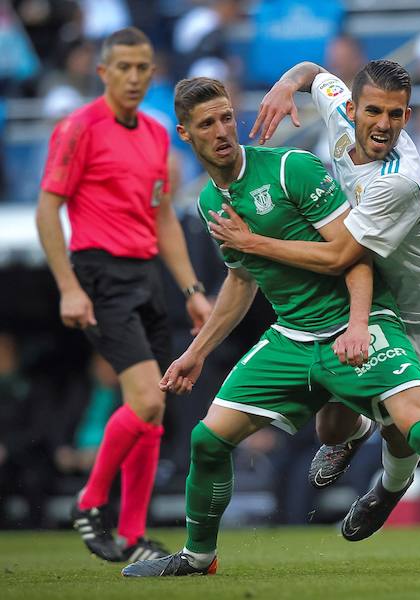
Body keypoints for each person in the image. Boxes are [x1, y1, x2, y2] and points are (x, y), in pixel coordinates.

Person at [122, 76, 420, 576]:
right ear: (185, 135)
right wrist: (198, 351)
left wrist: (358, 323)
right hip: (293, 336)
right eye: (208, 123)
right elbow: (241, 279)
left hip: (379, 318)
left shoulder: (293, 169)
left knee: (419, 429)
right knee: (208, 439)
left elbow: (353, 258)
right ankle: (197, 557)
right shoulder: (213, 203)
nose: (222, 131)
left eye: (227, 118)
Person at [34, 26, 213, 562]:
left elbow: (163, 219)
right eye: (125, 68)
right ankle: (90, 502)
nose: (135, 77)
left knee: (155, 410)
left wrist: (193, 290)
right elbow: (48, 209)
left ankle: (134, 537)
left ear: (152, 73)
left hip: (145, 275)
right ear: (103, 72)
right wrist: (68, 286)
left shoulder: (158, 135)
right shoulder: (77, 128)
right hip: (98, 274)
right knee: (147, 399)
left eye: (143, 68)